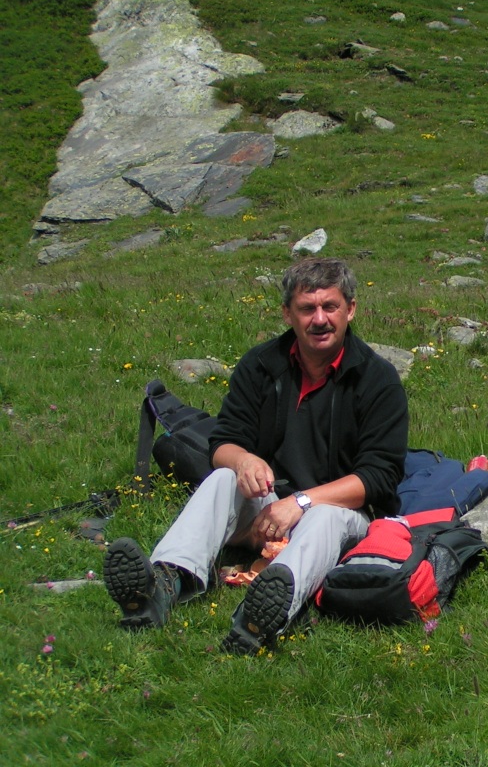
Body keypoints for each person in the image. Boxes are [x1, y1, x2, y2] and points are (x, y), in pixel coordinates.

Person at [103, 257, 409, 654]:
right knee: (223, 477)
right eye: (307, 308)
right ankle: (162, 584)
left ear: (350, 309)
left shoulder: (377, 379)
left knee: (325, 518)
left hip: (341, 513)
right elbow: (223, 443)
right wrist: (243, 461)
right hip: (268, 506)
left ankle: (261, 615)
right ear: (287, 314)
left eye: (330, 307)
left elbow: (379, 477)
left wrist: (301, 502)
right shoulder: (261, 365)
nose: (319, 319)